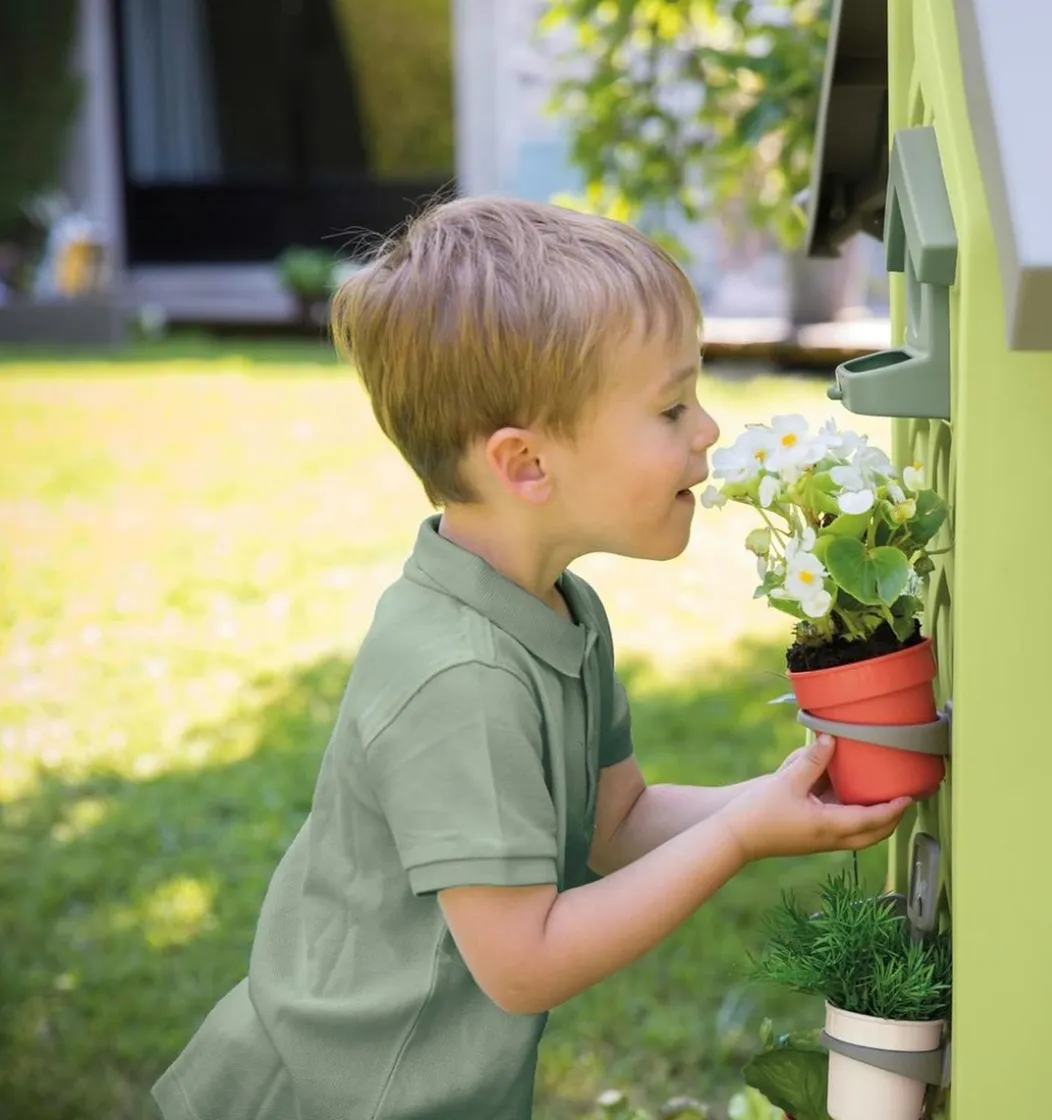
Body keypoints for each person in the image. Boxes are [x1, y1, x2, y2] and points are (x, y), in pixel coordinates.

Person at [151, 198, 910, 1120]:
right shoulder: (459, 678)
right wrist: (739, 838)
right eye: (671, 407)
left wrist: (781, 794)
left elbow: (615, 821)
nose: (707, 430)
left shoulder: (558, 612)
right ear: (525, 466)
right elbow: (526, 963)